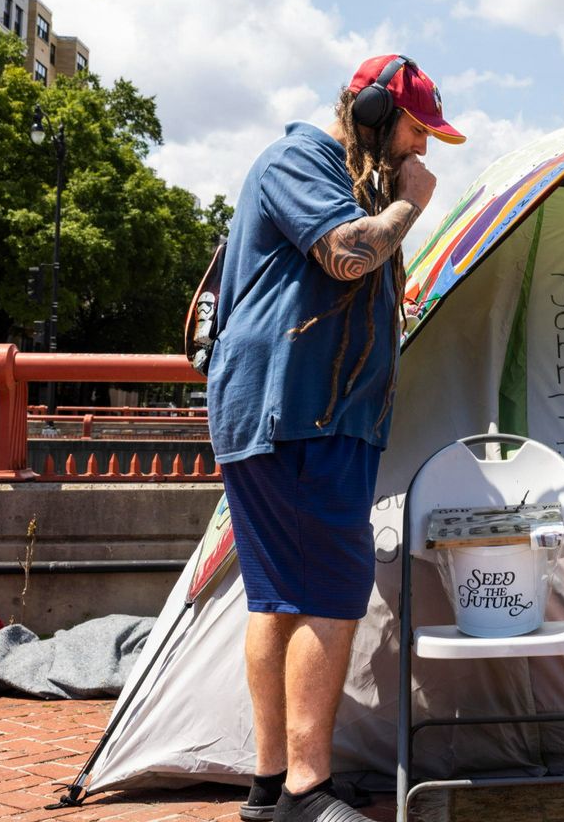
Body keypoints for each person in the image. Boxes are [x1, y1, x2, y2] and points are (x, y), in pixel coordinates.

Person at [207, 54, 464, 822]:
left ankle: (269, 789)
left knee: (280, 598)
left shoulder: (340, 176)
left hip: (294, 413)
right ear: (376, 112)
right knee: (328, 592)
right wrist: (410, 204)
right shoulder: (302, 159)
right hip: (300, 414)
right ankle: (306, 791)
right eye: (415, 131)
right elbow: (347, 254)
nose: (420, 149)